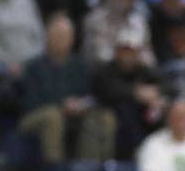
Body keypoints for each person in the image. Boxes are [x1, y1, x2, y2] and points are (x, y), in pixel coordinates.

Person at [20, 14, 115, 163]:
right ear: (47, 37)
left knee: (104, 117)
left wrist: (83, 104)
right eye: (57, 35)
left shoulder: (80, 66)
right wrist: (62, 105)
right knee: (53, 116)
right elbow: (31, 102)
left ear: (72, 39)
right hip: (36, 116)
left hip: (74, 115)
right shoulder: (34, 66)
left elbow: (91, 96)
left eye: (65, 36)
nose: (61, 40)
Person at [92, 33, 165, 160]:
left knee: (157, 110)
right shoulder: (105, 70)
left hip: (139, 118)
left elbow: (166, 86)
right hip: (109, 112)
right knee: (125, 106)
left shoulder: (143, 69)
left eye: (132, 52)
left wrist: (156, 95)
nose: (128, 57)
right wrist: (135, 93)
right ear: (116, 52)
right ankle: (135, 152)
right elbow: (107, 90)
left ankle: (156, 155)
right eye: (124, 51)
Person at [82, 0, 153, 66]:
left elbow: (149, 57)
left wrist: (135, 57)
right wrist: (122, 55)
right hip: (105, 72)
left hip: (135, 71)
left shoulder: (139, 21)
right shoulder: (96, 19)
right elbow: (96, 54)